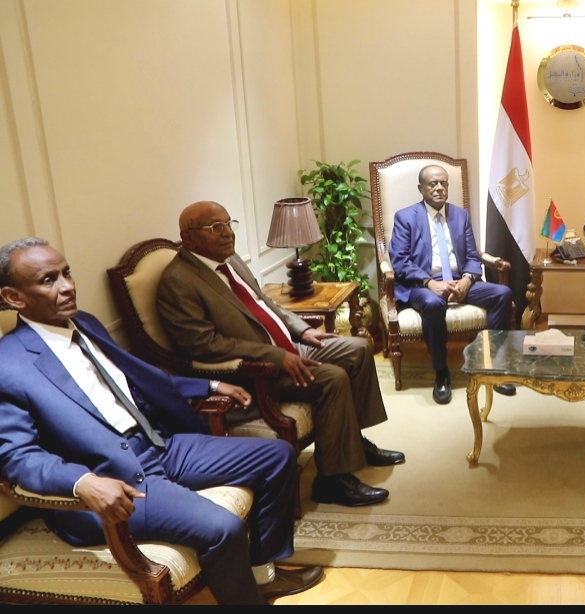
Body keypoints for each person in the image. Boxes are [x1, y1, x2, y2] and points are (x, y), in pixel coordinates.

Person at [0, 238, 323, 605]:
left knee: (278, 456)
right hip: (114, 480)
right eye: (49, 280)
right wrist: (83, 482)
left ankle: (263, 574)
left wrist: (210, 385)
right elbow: (17, 458)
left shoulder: (84, 323)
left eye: (67, 273)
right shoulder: (9, 364)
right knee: (224, 527)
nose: (67, 286)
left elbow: (139, 376)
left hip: (158, 445)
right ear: (13, 297)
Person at [156, 201, 403, 509]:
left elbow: (264, 302)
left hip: (287, 345)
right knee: (333, 378)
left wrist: (303, 330)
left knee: (359, 348)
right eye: (215, 227)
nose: (227, 233)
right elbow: (203, 344)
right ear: (189, 238)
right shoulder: (178, 281)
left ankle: (354, 441)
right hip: (255, 369)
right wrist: (275, 356)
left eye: (229, 223)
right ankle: (332, 481)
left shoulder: (229, 259)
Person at [389, 164, 516, 405]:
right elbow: (400, 260)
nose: (439, 188)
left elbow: (472, 255)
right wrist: (429, 282)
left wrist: (467, 279)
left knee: (502, 293)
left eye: (443, 183)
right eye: (433, 184)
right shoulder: (405, 217)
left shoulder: (461, 215)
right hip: (422, 286)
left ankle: (493, 366)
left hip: (459, 280)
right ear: (421, 188)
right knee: (433, 303)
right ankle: (441, 373)